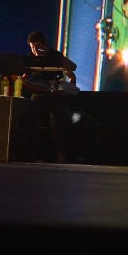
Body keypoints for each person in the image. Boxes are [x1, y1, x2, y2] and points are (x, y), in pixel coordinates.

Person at [23, 30, 79, 163]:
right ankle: (34, 155)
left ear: (44, 45)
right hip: (38, 92)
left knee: (57, 120)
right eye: (32, 48)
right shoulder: (31, 58)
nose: (35, 50)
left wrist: (68, 73)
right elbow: (25, 76)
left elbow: (72, 67)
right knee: (32, 118)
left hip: (55, 93)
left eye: (38, 47)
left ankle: (61, 155)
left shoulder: (54, 55)